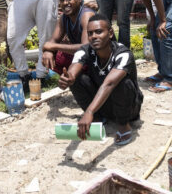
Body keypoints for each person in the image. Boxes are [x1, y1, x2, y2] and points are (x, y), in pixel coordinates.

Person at [58, 13, 143, 145]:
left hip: (128, 108)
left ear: (110, 33)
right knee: (77, 79)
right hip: (103, 104)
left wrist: (89, 111)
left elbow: (109, 84)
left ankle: (123, 125)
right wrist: (69, 78)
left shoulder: (123, 53)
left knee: (122, 82)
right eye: (90, 33)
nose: (94, 36)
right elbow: (74, 68)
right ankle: (97, 118)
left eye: (98, 32)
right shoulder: (85, 50)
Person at [42, 0, 95, 74]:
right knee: (53, 57)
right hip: (82, 56)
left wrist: (53, 46)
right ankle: (71, 77)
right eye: (62, 0)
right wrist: (48, 52)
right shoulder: (63, 18)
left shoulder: (86, 16)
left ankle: (82, 78)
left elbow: (86, 48)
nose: (65, 3)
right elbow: (52, 41)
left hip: (97, 58)